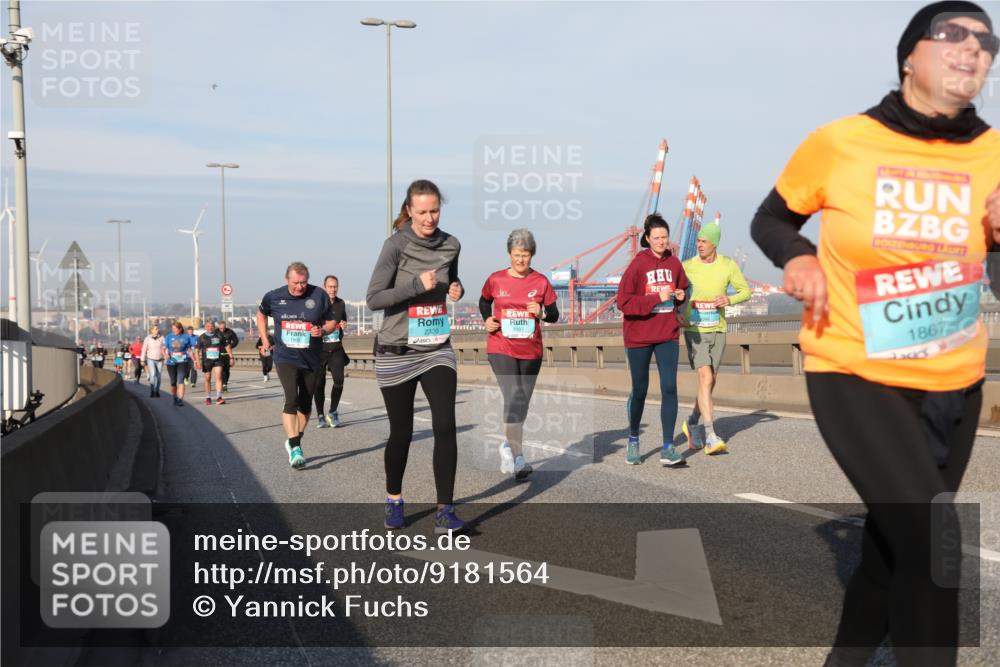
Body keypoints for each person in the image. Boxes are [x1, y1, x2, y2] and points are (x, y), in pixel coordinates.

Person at [750, 3, 999, 664]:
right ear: (909, 55)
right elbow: (771, 218)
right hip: (853, 366)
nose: (971, 47)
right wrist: (797, 255)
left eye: (986, 40)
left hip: (955, 382)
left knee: (894, 551)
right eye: (952, 34)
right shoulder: (842, 141)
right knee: (932, 541)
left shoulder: (996, 155)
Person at [366, 179, 466, 533]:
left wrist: (456, 289)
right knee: (401, 433)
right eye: (422, 212)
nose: (429, 218)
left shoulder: (451, 244)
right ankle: (394, 499)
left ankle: (445, 510)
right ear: (409, 210)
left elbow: (452, 281)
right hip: (396, 351)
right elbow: (374, 298)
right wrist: (414, 287)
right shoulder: (395, 245)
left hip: (436, 347)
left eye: (435, 210)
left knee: (445, 426)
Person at [480, 228, 559, 479]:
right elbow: (484, 301)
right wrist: (487, 319)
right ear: (509, 254)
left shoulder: (541, 282)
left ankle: (511, 448)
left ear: (532, 255)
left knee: (521, 404)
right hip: (500, 345)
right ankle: (516, 455)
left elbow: (554, 315)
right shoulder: (496, 279)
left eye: (525, 255)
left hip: (531, 349)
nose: (521, 259)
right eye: (516, 254)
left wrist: (541, 312)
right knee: (513, 396)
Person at [616, 213, 689, 467]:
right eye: (656, 237)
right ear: (647, 239)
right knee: (640, 390)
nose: (661, 242)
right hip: (638, 338)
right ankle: (634, 439)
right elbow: (623, 303)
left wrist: (680, 295)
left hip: (667, 334)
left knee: (669, 387)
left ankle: (668, 447)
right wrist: (656, 298)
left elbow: (684, 290)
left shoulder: (675, 264)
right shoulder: (637, 265)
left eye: (665, 237)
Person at [679, 223, 751, 455]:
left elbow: (745, 291)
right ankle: (710, 435)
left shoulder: (728, 265)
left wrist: (729, 301)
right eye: (698, 240)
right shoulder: (687, 266)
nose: (699, 244)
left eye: (704, 241)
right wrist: (680, 313)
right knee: (705, 376)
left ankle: (692, 422)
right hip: (695, 329)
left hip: (718, 328)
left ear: (714, 244)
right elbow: (677, 293)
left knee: (710, 382)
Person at [256, 262, 336, 469]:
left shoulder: (318, 295)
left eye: (303, 282)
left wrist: (323, 331)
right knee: (291, 400)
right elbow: (261, 314)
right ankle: (296, 447)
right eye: (296, 283)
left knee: (305, 406)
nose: (300, 286)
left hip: (312, 357)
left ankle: (294, 440)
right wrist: (265, 338)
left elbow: (331, 322)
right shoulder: (273, 297)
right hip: (285, 357)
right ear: (286, 280)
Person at [314, 275, 349, 428]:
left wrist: (343, 325)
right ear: (324, 287)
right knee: (319, 383)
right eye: (330, 286)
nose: (333, 289)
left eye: (335, 286)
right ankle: (320, 415)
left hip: (336, 348)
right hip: (320, 349)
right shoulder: (318, 304)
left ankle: (333, 412)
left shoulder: (341, 304)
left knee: (339, 380)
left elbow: (344, 320)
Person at [195, 320, 232, 406]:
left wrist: (231, 357)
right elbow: (196, 350)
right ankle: (208, 397)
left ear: (214, 327)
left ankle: (219, 397)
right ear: (205, 327)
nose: (210, 328)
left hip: (218, 359)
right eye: (208, 326)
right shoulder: (202, 337)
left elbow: (227, 346)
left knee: (218, 376)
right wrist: (197, 361)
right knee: (207, 378)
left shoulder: (219, 335)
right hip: (206, 361)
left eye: (211, 326)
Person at [164, 321, 192, 407]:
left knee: (181, 380)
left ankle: (180, 399)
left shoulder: (186, 337)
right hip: (171, 362)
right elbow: (163, 348)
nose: (174, 330)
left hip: (183, 362)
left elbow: (190, 350)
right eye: (173, 329)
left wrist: (195, 360)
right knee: (173, 382)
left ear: (180, 329)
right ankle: (174, 397)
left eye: (176, 329)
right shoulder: (169, 336)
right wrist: (165, 355)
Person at [140, 324, 167, 398]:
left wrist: (166, 357)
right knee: (153, 374)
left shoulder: (162, 338)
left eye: (157, 329)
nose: (157, 330)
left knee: (158, 376)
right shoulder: (147, 338)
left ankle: (157, 390)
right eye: (155, 329)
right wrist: (142, 360)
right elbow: (144, 350)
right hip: (150, 359)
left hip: (160, 359)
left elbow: (165, 348)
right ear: (151, 330)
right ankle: (152, 391)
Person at [218, 320, 239, 392]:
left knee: (226, 371)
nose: (222, 330)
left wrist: (231, 346)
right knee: (219, 371)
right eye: (221, 328)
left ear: (225, 326)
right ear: (218, 326)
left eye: (223, 328)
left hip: (227, 354)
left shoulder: (230, 332)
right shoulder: (215, 332)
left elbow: (236, 341)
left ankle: (225, 384)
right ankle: (220, 383)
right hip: (218, 354)